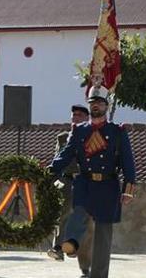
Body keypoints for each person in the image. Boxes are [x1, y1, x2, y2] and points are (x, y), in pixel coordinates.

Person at [48, 86, 136, 278]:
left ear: (106, 105)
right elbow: (66, 154)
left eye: (99, 103)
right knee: (78, 214)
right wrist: (51, 169)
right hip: (85, 183)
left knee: (103, 235)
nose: (96, 106)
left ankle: (99, 275)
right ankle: (71, 243)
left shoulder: (117, 131)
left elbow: (127, 161)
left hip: (108, 185)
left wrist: (128, 189)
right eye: (92, 103)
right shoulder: (79, 131)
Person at [46, 104, 94, 277]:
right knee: (63, 213)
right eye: (74, 115)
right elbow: (58, 159)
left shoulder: (92, 136)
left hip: (84, 181)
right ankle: (58, 247)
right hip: (66, 180)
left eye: (80, 115)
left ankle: (84, 265)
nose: (76, 118)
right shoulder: (63, 137)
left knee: (85, 223)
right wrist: (51, 177)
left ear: (86, 119)